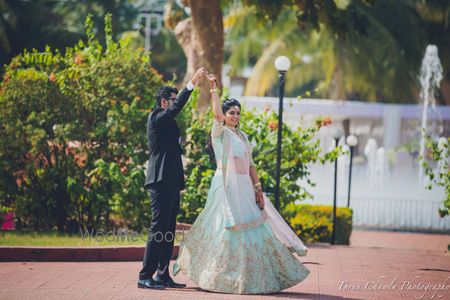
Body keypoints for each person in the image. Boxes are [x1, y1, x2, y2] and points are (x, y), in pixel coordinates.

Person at [172, 73, 310, 294]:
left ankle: (256, 278)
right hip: (225, 188)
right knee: (222, 226)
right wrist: (214, 88)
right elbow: (216, 114)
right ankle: (217, 276)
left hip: (245, 188)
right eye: (231, 113)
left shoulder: (243, 136)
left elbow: (251, 165)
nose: (235, 116)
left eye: (238, 113)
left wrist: (258, 189)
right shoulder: (220, 133)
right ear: (225, 116)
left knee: (253, 226)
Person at [138, 67, 206, 290]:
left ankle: (161, 274)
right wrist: (192, 84)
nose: (175, 103)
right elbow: (176, 109)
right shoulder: (156, 117)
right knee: (158, 228)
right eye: (172, 100)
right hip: (159, 181)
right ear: (164, 102)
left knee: (168, 229)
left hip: (172, 182)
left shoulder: (167, 121)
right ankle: (144, 275)